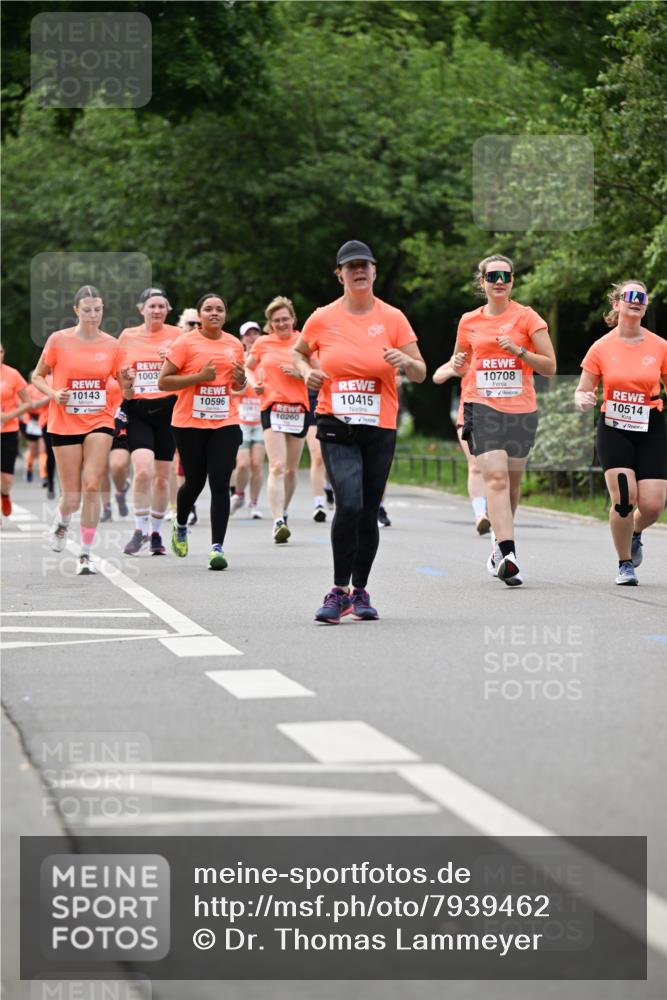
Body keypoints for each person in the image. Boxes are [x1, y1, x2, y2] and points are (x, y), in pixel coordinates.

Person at [294, 239, 426, 623]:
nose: (358, 271)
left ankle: (360, 590)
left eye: (364, 265)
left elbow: (420, 370)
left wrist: (405, 360)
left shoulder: (393, 318)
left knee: (368, 511)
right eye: (351, 267)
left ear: (374, 271)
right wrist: (307, 373)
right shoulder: (322, 317)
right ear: (340, 275)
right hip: (335, 421)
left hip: (379, 426)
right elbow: (299, 352)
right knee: (348, 503)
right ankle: (338, 590)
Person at [449, 254, 556, 586]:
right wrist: (457, 363)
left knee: (510, 483)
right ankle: (509, 553)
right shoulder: (469, 320)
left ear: (512, 281)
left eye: (505, 276)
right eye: (492, 275)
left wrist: (520, 352)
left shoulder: (527, 318)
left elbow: (550, 366)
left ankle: (498, 545)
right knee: (494, 479)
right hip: (482, 408)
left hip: (521, 410)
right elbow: (461, 361)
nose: (499, 281)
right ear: (481, 281)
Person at [32, 286, 131, 574]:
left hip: (99, 420)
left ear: (103, 310)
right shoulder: (58, 340)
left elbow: (128, 392)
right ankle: (62, 522)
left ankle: (85, 553)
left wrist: (129, 381)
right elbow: (37, 376)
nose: (92, 315)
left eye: (98, 309)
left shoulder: (112, 345)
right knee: (72, 496)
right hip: (64, 422)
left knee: (92, 485)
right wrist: (53, 393)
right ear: (76, 310)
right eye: (86, 310)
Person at [575, 280, 667, 586]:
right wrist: (583, 399)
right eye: (630, 296)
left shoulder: (660, 346)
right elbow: (583, 390)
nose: (636, 301)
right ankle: (625, 562)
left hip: (650, 425)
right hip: (614, 426)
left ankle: (636, 531)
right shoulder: (601, 347)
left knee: (653, 505)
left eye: (642, 297)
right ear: (617, 304)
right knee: (625, 498)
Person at [158, 292, 246, 569]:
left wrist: (241, 381)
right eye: (208, 309)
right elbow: (163, 382)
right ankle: (180, 524)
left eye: (219, 309)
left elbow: (237, 387)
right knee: (195, 482)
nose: (214, 313)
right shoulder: (185, 343)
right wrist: (198, 377)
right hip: (189, 423)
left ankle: (216, 547)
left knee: (220, 481)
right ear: (200, 315)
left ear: (225, 314)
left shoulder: (234, 344)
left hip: (225, 421)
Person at [118, 287, 182, 555]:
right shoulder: (127, 336)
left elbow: (187, 371)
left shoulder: (178, 336)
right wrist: (128, 385)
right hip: (139, 409)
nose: (156, 310)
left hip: (169, 409)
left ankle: (156, 533)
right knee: (143, 470)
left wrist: (170, 364)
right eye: (151, 306)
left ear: (167, 310)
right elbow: (123, 382)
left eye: (161, 306)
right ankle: (139, 528)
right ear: (141, 309)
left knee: (163, 478)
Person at [245, 296, 309, 542]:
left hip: (298, 409)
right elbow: (249, 367)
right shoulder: (262, 343)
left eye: (285, 319)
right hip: (272, 407)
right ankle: (277, 521)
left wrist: (300, 373)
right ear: (269, 323)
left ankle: (283, 510)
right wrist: (255, 384)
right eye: (276, 321)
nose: (281, 324)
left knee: (292, 470)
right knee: (277, 466)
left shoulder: (304, 340)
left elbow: (318, 370)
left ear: (293, 319)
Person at [432, 359, 490, 534]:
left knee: (498, 468)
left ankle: (496, 511)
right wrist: (453, 371)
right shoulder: (465, 355)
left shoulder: (504, 353)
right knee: (475, 466)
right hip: (468, 417)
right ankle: (480, 515)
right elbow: (436, 376)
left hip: (500, 417)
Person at [230, 321, 265, 518]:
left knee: (257, 464)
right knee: (242, 463)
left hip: (261, 419)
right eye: (248, 335)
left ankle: (254, 504)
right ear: (242, 339)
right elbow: (232, 389)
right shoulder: (239, 360)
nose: (252, 338)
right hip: (241, 417)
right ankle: (239, 493)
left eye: (256, 333)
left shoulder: (266, 360)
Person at [1, 345, 31, 518]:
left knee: (6, 479)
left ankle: (4, 495)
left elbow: (28, 402)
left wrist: (9, 415)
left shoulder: (12, 374)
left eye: (0, 351)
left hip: (9, 430)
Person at [100, 375, 131, 521]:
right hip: (97, 424)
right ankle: (106, 507)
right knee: (101, 469)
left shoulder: (123, 365)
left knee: (118, 466)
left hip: (120, 426)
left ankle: (121, 490)